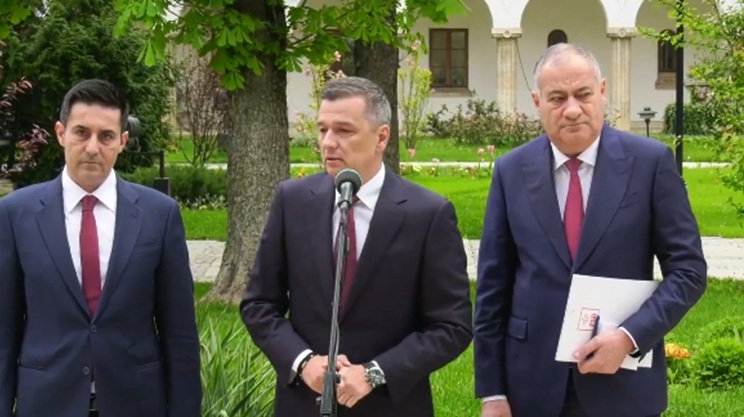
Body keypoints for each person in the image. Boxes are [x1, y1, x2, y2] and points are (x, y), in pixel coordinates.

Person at [473, 43, 707, 417]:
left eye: (582, 94)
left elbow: (689, 271)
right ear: (537, 102)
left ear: (602, 91)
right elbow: (492, 287)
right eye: (557, 97)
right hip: (530, 386)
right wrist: (492, 392)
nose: (571, 109)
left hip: (622, 386)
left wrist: (631, 337)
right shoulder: (510, 171)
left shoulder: (649, 164)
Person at [240, 76, 472, 417]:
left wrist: (375, 373)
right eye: (322, 130)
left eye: (344, 131)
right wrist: (303, 362)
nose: (328, 143)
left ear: (381, 137)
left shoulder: (428, 214)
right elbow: (259, 303)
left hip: (390, 407)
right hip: (303, 404)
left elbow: (452, 326)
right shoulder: (293, 202)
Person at [0, 79, 202, 417]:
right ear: (61, 133)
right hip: (46, 404)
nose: (92, 147)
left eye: (106, 136)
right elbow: (0, 333)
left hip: (137, 404)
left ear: (123, 142)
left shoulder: (160, 215)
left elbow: (180, 334)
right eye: (81, 132)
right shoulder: (16, 215)